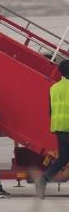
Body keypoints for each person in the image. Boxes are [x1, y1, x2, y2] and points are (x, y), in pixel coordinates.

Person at [38, 60, 69, 198]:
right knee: (63, 157)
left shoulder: (54, 88)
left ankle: (43, 180)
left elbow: (50, 110)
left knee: (63, 158)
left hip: (59, 127)